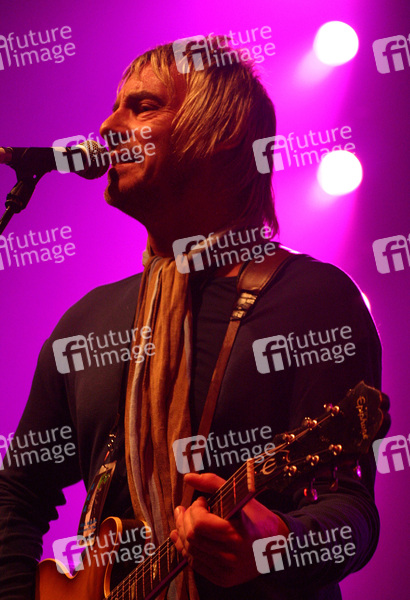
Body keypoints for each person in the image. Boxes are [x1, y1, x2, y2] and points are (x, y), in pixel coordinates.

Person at [0, 38, 388, 600]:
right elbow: (16, 495)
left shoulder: (312, 299)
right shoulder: (86, 324)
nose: (107, 126)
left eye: (142, 106)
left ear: (219, 133)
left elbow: (352, 514)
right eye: (115, 106)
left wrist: (275, 546)